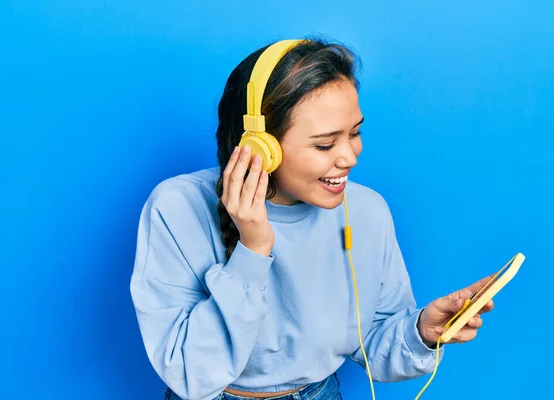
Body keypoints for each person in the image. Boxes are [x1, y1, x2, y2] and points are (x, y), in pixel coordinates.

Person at [130, 37, 494, 400]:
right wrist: (253, 249)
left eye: (355, 133)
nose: (349, 157)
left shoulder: (367, 211)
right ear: (260, 145)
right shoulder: (177, 208)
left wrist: (421, 332)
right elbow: (191, 376)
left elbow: (372, 346)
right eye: (324, 144)